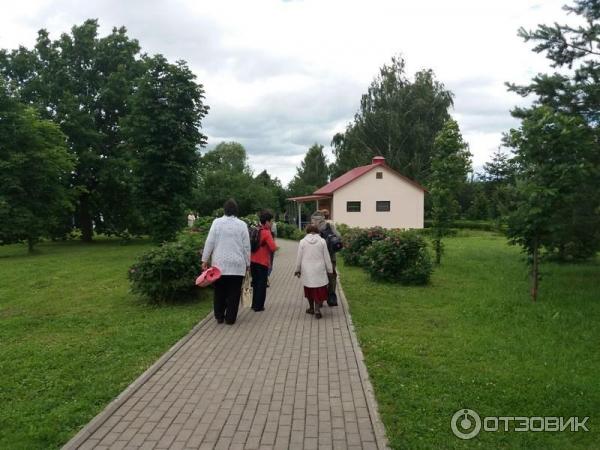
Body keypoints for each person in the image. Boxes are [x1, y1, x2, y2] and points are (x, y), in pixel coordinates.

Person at [202, 199, 250, 325]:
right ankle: (230, 318)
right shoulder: (242, 225)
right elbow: (246, 247)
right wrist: (248, 263)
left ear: (224, 210)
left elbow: (210, 242)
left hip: (219, 265)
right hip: (237, 265)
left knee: (219, 291)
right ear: (236, 211)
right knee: (234, 293)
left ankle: (219, 316)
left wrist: (204, 259)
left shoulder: (216, 223)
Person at [294, 224, 333, 319]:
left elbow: (299, 257)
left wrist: (297, 270)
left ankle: (311, 308)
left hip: (307, 269)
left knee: (309, 289)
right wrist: (330, 270)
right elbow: (326, 257)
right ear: (317, 231)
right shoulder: (322, 241)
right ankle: (317, 309)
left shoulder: (302, 242)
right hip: (319, 269)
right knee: (318, 290)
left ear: (307, 231)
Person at [310, 209, 341, 305]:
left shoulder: (312, 229)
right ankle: (331, 297)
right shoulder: (330, 225)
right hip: (331, 257)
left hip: (317, 259)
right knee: (332, 276)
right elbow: (339, 237)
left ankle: (319, 300)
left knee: (319, 278)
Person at [250, 210, 278, 311]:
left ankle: (254, 304)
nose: (271, 224)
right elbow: (273, 247)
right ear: (266, 222)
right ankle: (259, 306)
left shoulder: (256, 230)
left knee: (255, 283)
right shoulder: (266, 232)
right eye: (271, 221)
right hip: (262, 262)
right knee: (262, 284)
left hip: (252, 261)